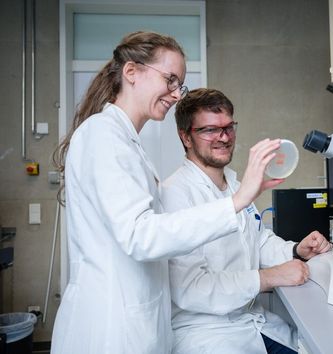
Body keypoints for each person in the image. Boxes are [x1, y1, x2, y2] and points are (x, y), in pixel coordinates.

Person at [51, 32, 283, 354]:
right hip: (111, 328)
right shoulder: (102, 134)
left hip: (141, 321)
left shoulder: (130, 143)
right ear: (131, 72)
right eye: (170, 80)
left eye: (179, 84)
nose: (176, 94)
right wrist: (236, 202)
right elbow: (139, 236)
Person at [161, 88, 332, 354]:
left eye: (229, 127)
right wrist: (269, 277)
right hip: (207, 334)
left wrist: (296, 249)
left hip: (254, 323)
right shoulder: (174, 193)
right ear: (185, 137)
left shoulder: (235, 186)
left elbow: (258, 240)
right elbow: (192, 288)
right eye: (210, 130)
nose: (224, 137)